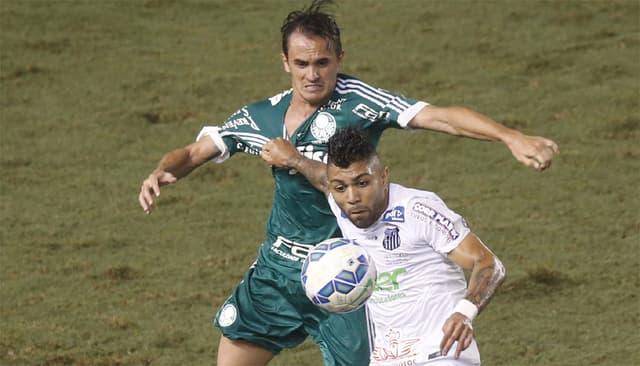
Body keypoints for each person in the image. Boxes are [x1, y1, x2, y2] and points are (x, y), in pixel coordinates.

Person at [137, 1, 555, 365]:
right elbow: (195, 151)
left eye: (323, 62)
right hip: (278, 269)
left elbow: (440, 116)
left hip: (348, 275)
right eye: (302, 64)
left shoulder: (362, 102)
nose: (313, 74)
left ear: (339, 57)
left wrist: (509, 136)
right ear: (285, 62)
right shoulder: (261, 116)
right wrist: (164, 170)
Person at [261, 126, 506, 365]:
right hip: (387, 357)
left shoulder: (417, 211)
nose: (352, 197)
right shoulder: (343, 204)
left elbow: (488, 264)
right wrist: (294, 159)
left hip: (441, 354)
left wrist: (465, 312)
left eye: (363, 183)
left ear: (384, 177)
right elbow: (324, 180)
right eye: (341, 188)